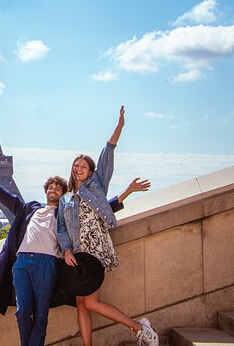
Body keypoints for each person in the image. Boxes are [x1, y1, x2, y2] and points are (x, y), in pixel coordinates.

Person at [0, 163, 144, 346]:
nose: (53, 190)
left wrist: (127, 191)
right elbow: (7, 197)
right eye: (51, 187)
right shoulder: (30, 209)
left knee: (41, 315)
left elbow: (99, 211)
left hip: (47, 264)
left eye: (58, 188)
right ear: (46, 191)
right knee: (22, 311)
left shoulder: (67, 214)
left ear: (62, 194)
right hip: (21, 263)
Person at [57, 106, 158, 346]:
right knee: (82, 303)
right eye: (76, 165)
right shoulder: (66, 199)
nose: (78, 168)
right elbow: (61, 228)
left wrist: (119, 126)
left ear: (91, 171)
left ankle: (140, 329)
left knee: (90, 302)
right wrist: (67, 250)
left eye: (83, 165)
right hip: (78, 253)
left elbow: (107, 152)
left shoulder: (96, 185)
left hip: (96, 249)